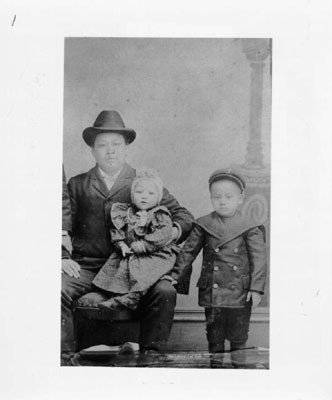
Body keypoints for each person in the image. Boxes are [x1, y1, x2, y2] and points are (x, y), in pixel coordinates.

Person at [61, 110, 194, 357]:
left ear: (126, 148)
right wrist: (63, 256)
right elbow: (62, 224)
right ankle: (63, 361)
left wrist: (168, 234)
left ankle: (152, 358)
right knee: (57, 287)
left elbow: (184, 216)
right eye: (102, 145)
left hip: (135, 268)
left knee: (164, 291)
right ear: (92, 150)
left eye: (116, 144)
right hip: (89, 267)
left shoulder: (142, 182)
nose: (110, 151)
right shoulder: (78, 184)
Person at [170, 169, 267, 368]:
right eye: (217, 197)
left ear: (240, 198)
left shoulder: (249, 225)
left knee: (239, 335)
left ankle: (240, 371)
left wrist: (256, 289)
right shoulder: (204, 224)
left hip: (240, 292)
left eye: (228, 197)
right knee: (214, 335)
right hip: (212, 292)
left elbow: (259, 259)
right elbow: (188, 252)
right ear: (211, 198)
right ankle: (216, 370)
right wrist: (174, 275)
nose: (222, 201)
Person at [93, 168, 179, 311]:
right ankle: (114, 294)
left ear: (158, 197)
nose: (144, 196)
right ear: (132, 195)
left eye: (150, 193)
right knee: (121, 268)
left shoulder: (160, 214)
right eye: (139, 192)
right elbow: (117, 230)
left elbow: (163, 235)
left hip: (155, 255)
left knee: (144, 271)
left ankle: (133, 297)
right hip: (133, 253)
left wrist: (145, 245)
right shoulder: (125, 212)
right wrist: (121, 244)